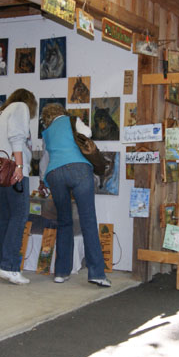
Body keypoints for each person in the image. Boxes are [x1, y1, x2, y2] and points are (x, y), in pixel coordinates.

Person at [38, 103, 110, 287]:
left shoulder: (46, 132)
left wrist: (43, 182)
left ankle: (61, 272)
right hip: (79, 169)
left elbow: (45, 160)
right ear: (62, 112)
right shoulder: (72, 120)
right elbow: (88, 134)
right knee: (88, 220)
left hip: (55, 174)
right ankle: (97, 274)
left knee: (63, 221)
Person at [0, 89, 37, 285]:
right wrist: (19, 166)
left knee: (6, 218)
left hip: (0, 172)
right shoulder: (20, 107)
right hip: (14, 171)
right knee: (19, 216)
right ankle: (8, 267)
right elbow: (17, 138)